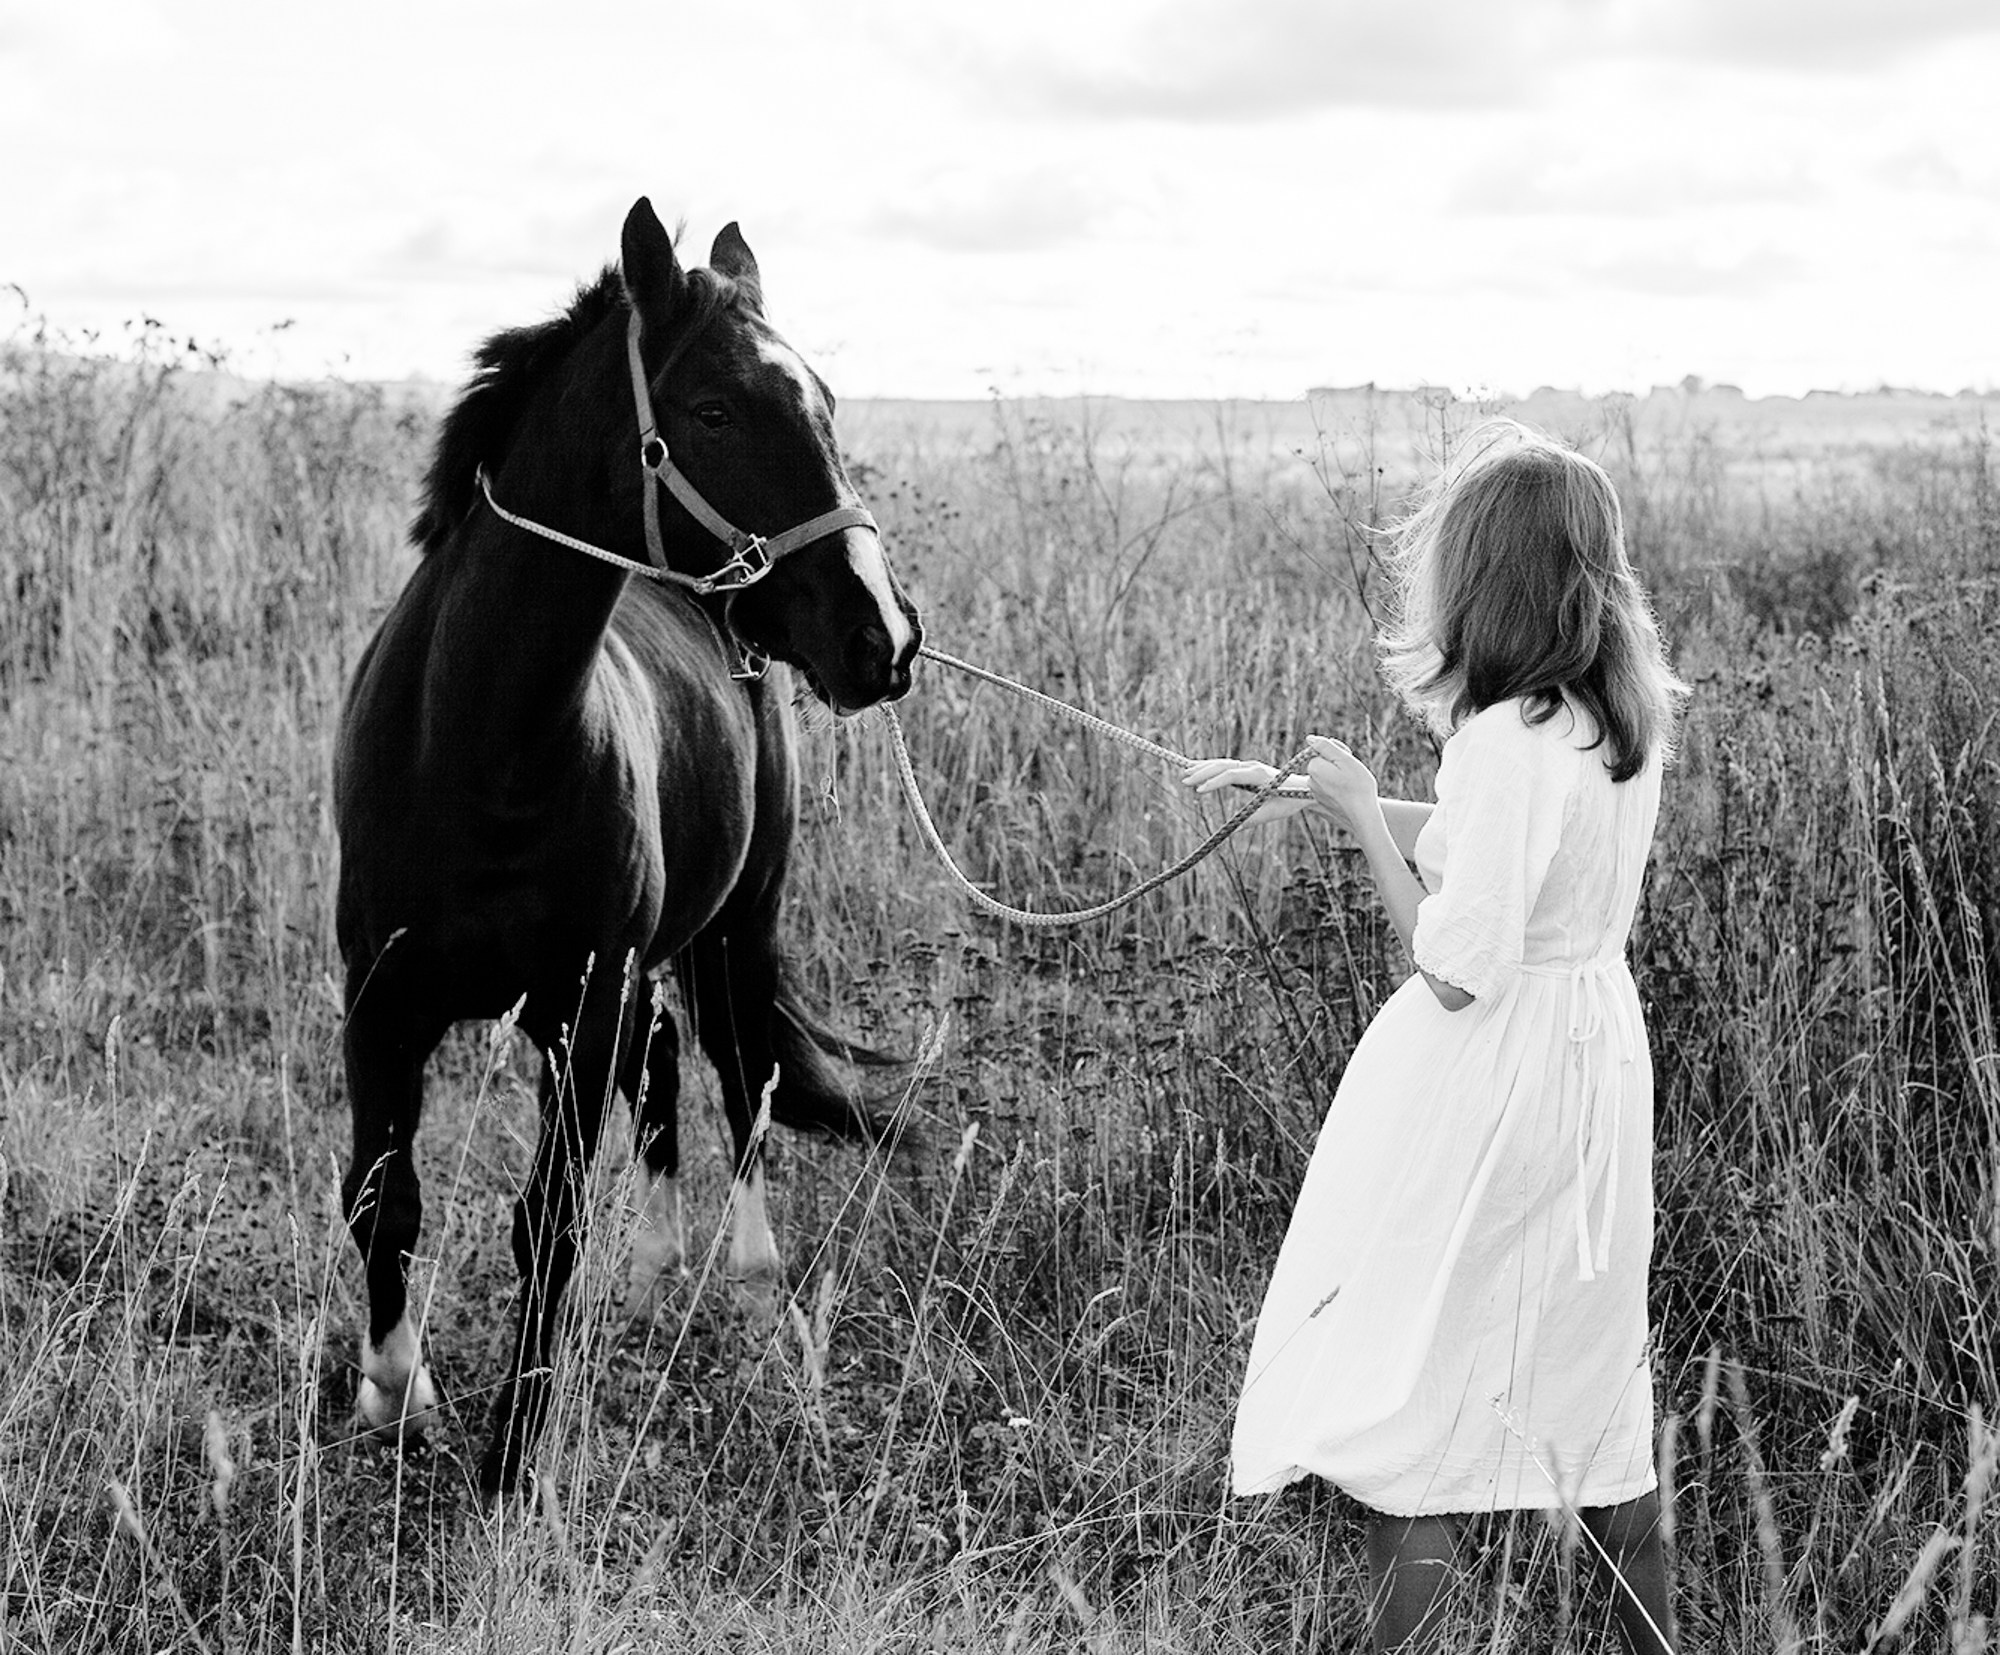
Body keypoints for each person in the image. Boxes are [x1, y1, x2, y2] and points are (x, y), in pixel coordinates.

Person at [1184, 421, 1687, 1653]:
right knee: (1591, 1403)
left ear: (1483, 577)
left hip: (1493, 1083)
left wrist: (1360, 821)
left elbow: (1456, 967)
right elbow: (1495, 840)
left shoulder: (1504, 735)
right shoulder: (1608, 718)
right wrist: (1303, 789)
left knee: (1404, 1412)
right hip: (1590, 1072)